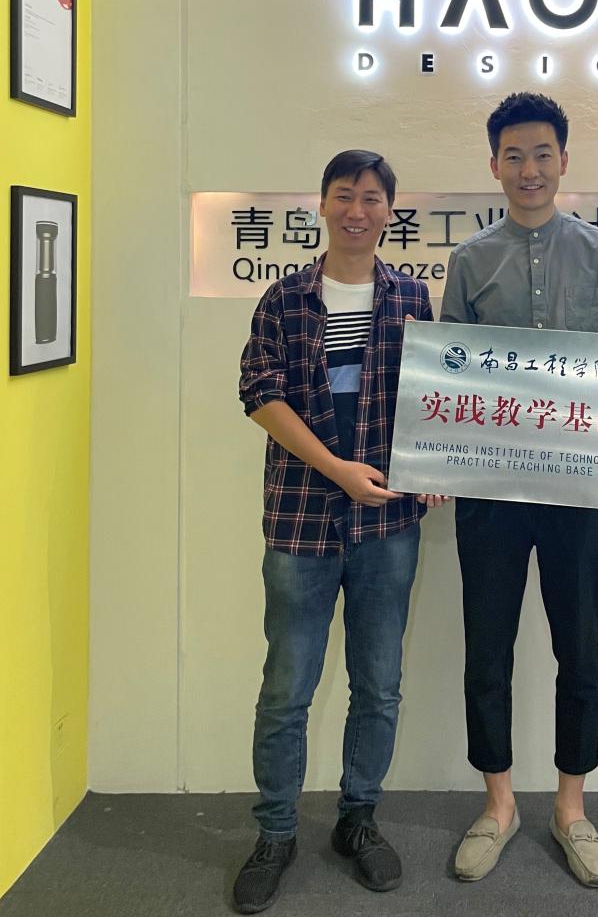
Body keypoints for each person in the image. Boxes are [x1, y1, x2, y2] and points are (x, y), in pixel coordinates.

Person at [233, 150, 441, 913]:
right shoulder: (284, 298)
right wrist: (337, 469)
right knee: (286, 687)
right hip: (300, 517)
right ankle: (276, 830)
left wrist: (438, 462)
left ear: (390, 210)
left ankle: (359, 818)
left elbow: (435, 396)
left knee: (378, 683)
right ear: (321, 204)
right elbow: (260, 394)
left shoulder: (411, 296)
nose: (358, 210)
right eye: (344, 195)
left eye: (372, 197)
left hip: (388, 522)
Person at [440, 91, 598, 888]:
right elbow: (450, 376)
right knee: (486, 646)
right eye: (514, 155)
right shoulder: (468, 261)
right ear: (494, 164)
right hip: (490, 490)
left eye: (542, 154)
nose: (529, 169)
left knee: (578, 646)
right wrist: (435, 464)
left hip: (580, 492)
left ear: (563, 160)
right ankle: (499, 804)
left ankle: (570, 805)